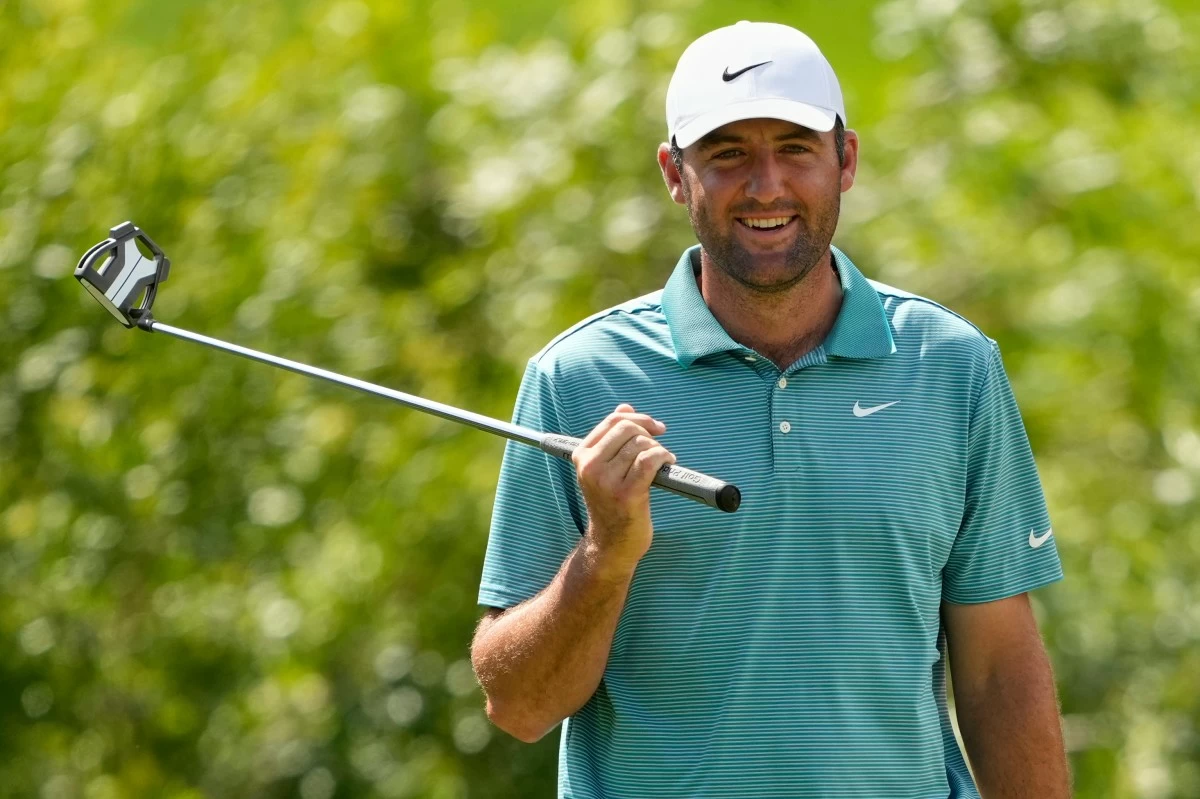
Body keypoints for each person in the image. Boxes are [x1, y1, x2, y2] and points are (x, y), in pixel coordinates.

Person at [470, 20, 1070, 799]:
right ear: (675, 174)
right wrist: (605, 553)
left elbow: (998, 669)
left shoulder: (950, 365)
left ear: (845, 160)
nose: (765, 185)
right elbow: (518, 705)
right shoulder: (575, 379)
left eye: (794, 147)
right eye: (727, 154)